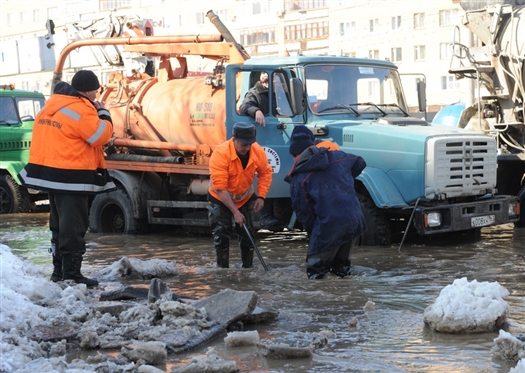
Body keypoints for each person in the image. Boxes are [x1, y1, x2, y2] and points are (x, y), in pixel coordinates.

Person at [18, 70, 116, 287]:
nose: (96, 96)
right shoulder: (80, 108)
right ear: (89, 91)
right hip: (71, 176)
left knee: (58, 226)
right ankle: (72, 274)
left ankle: (58, 272)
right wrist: (104, 114)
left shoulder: (51, 105)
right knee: (73, 226)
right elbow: (100, 136)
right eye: (96, 91)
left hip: (49, 174)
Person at [284, 125, 367, 279]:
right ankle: (347, 300)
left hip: (328, 225)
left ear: (295, 154)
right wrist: (341, 182)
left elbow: (305, 213)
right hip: (354, 220)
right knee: (341, 271)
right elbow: (359, 163)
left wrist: (314, 235)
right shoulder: (337, 156)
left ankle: (321, 302)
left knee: (316, 274)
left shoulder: (298, 178)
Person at [207, 122, 273, 268]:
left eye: (250, 144)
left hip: (245, 197)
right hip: (220, 198)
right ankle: (222, 270)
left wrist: (262, 196)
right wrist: (235, 212)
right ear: (234, 139)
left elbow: (266, 172)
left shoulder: (257, 151)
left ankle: (247, 269)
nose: (247, 148)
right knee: (221, 235)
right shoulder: (220, 154)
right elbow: (221, 189)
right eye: (244, 144)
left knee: (248, 236)